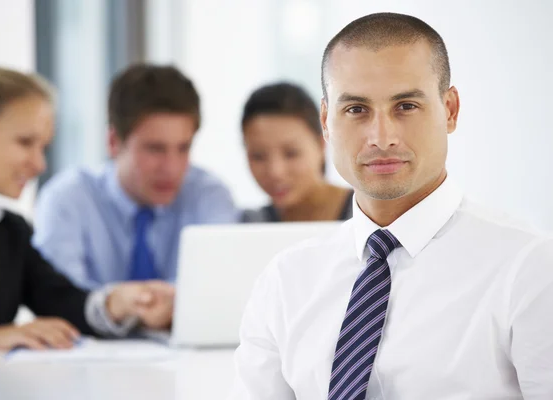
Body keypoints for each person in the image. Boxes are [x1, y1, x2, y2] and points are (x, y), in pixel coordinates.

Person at [230, 12, 553, 400]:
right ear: (326, 121)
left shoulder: (530, 270)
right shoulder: (286, 282)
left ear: (449, 109)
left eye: (405, 106)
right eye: (356, 110)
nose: (381, 138)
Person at [0, 67, 174, 399]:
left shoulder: (6, 231)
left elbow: (59, 299)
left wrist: (120, 303)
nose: (39, 164)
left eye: (43, 146)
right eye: (25, 142)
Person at [32, 64, 239, 290]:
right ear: (113, 142)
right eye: (155, 149)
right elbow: (60, 298)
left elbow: (219, 289)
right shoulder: (67, 199)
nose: (171, 168)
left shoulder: (209, 196)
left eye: (183, 148)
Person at [241, 83, 353, 223]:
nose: (276, 172)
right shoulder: (249, 225)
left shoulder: (371, 214)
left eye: (291, 153)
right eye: (258, 156)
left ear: (321, 144)